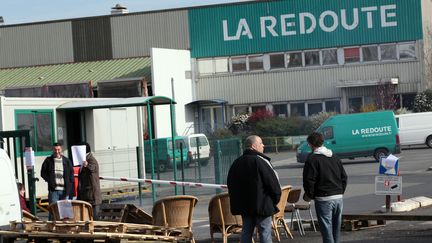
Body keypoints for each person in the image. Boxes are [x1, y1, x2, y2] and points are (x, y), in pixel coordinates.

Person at [227, 135, 281, 243]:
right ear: (253, 146)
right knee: (265, 233)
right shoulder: (260, 161)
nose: (263, 145)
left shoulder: (236, 163)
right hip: (263, 205)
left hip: (245, 207)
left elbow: (230, 184)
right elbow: (273, 184)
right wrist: (274, 200)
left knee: (246, 232)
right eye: (261, 143)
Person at [302, 132, 348, 243]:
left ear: (311, 144)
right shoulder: (334, 157)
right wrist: (341, 191)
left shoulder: (312, 159)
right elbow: (344, 177)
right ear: (322, 141)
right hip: (338, 196)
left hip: (323, 198)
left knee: (326, 228)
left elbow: (309, 180)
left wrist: (311, 195)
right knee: (336, 227)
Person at [40, 143, 75, 207]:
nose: (57, 151)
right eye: (55, 150)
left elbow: (71, 174)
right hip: (53, 191)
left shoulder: (67, 161)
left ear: (61, 149)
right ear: (52, 150)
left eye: (58, 149)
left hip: (65, 191)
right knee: (53, 211)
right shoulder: (48, 160)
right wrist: (49, 180)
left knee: (64, 212)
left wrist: (69, 187)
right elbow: (43, 173)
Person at [77, 142, 102, 218]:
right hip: (85, 195)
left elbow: (93, 168)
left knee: (94, 217)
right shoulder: (83, 160)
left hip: (92, 195)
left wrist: (87, 165)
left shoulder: (91, 160)